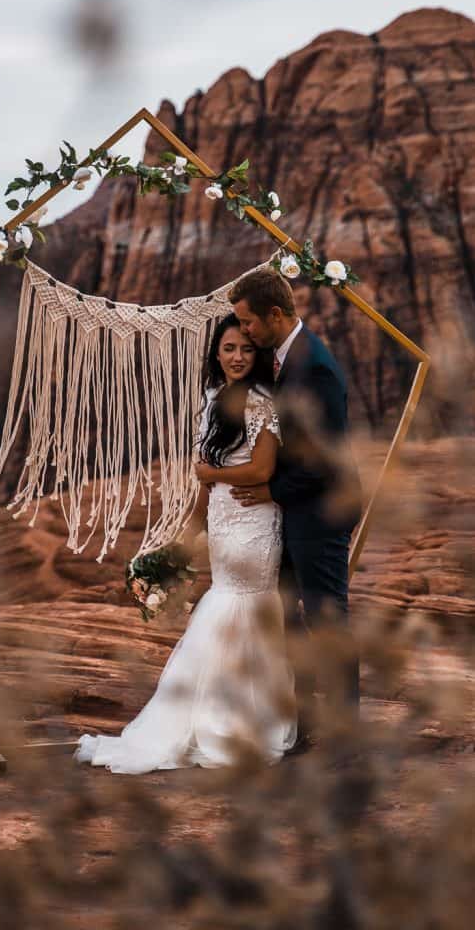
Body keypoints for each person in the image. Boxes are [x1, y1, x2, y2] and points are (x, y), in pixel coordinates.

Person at [73, 313, 297, 774]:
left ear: (258, 356)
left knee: (244, 605)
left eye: (246, 349)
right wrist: (190, 531)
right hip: (223, 518)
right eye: (229, 348)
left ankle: (239, 721)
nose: (237, 357)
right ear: (216, 352)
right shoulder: (213, 398)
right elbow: (203, 480)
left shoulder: (262, 402)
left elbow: (260, 470)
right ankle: (213, 718)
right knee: (225, 604)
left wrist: (212, 475)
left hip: (255, 522)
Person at [228, 267, 362, 746]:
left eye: (248, 322)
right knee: (290, 625)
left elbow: (326, 461)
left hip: (320, 512)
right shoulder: (287, 360)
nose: (244, 331)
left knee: (329, 622)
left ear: (276, 314)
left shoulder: (315, 367)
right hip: (293, 515)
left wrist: (271, 491)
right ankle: (303, 732)